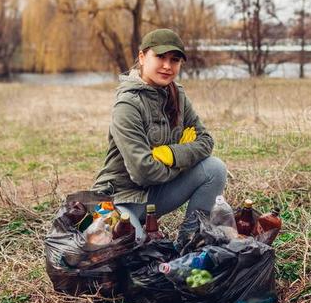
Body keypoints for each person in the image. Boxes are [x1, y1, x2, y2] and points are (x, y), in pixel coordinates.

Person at [91, 28, 227, 247]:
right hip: (119, 199)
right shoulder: (127, 105)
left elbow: (206, 141)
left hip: (154, 195)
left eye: (174, 60)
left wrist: (172, 154)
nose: (167, 66)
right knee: (138, 252)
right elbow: (143, 172)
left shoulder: (178, 95)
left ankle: (189, 242)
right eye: (160, 57)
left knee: (214, 168)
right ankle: (134, 230)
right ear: (142, 57)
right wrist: (182, 162)